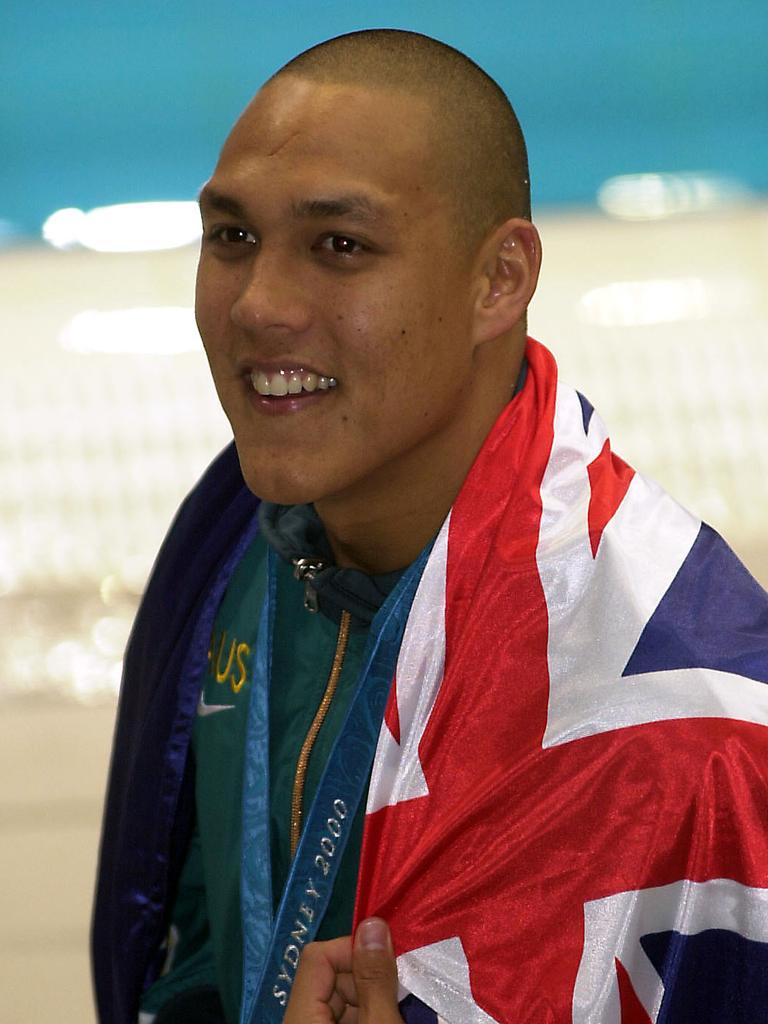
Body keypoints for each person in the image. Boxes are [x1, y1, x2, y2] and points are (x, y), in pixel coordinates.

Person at [92, 28, 768, 1024]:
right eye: (232, 237)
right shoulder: (236, 533)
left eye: (339, 246)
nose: (260, 304)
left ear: (499, 278)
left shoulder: (681, 730)